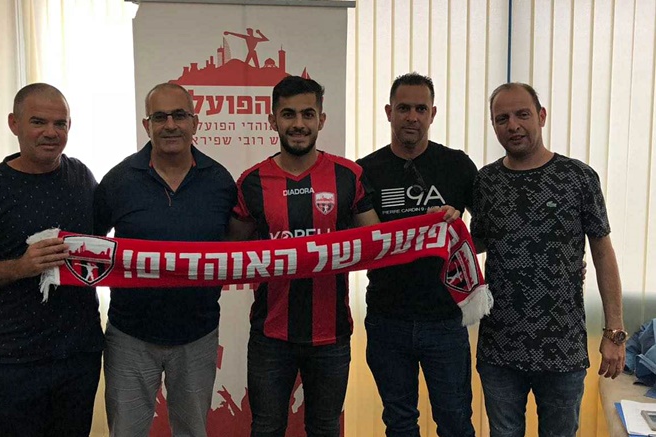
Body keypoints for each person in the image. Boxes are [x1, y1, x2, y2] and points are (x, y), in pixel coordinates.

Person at [471, 82, 626, 437]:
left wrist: (614, 333)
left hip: (562, 349)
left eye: (522, 114)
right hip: (500, 348)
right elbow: (475, 243)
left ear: (541, 116)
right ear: (493, 125)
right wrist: (440, 224)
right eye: (502, 119)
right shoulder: (486, 181)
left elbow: (602, 253)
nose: (513, 125)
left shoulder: (578, 177)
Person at [228, 75, 380, 437]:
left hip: (331, 335)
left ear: (321, 120)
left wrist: (432, 224)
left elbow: (378, 242)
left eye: (308, 114)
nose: (298, 124)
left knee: (325, 429)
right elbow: (228, 252)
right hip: (270, 335)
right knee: (267, 428)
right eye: (288, 114)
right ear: (273, 120)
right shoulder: (251, 182)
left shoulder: (348, 176)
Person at [0, 83, 104, 436]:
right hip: (10, 360)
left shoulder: (81, 177)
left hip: (77, 355)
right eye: (39, 122)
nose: (51, 132)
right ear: (14, 123)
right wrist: (20, 267)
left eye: (60, 123)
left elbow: (102, 244)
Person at [94, 83, 236, 436]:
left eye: (179, 116)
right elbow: (89, 247)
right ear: (147, 125)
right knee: (126, 432)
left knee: (192, 431)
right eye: (160, 117)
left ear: (195, 122)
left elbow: (237, 248)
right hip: (130, 335)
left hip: (198, 335)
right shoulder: (118, 180)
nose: (170, 125)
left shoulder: (220, 181)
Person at [356, 72, 475, 437]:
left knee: (456, 423)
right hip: (387, 318)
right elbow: (360, 243)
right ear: (388, 112)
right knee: (400, 424)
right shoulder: (364, 171)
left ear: (433, 113)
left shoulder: (457, 165)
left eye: (421, 109)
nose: (412, 117)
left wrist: (454, 228)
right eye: (403, 108)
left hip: (445, 318)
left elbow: (487, 233)